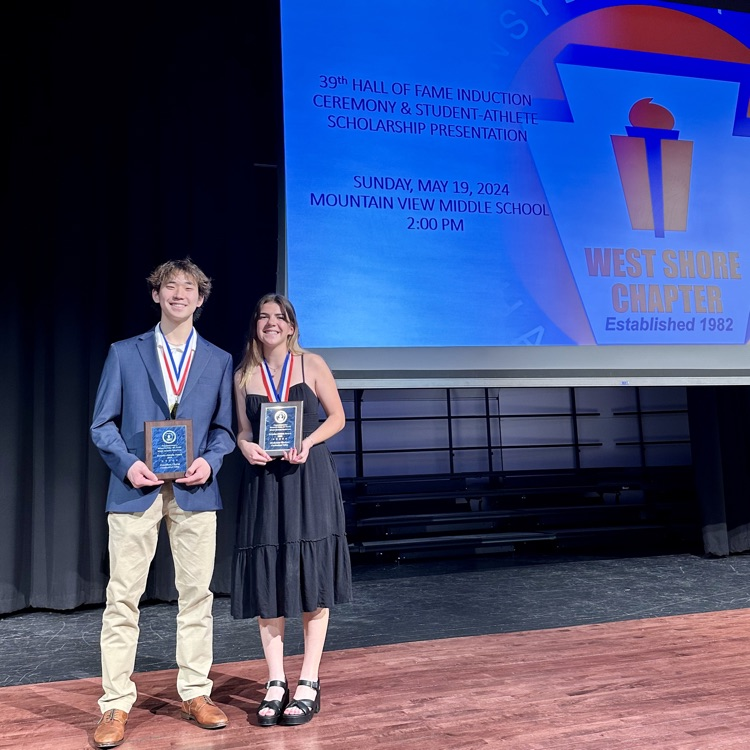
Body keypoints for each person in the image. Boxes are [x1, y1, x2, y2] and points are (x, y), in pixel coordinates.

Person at [89, 258, 235, 748]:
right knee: (122, 599)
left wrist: (211, 461)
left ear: (200, 298)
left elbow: (224, 430)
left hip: (196, 490)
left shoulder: (217, 359)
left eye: (188, 287)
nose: (178, 294)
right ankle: (114, 705)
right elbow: (101, 424)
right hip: (136, 488)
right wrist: (128, 464)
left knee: (197, 597)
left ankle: (195, 691)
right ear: (156, 295)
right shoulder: (124, 353)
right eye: (169, 286)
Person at [231, 293, 353, 727]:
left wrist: (309, 441)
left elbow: (336, 417)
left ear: (291, 326)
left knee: (311, 574)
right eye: (263, 316)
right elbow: (244, 430)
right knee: (269, 575)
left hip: (309, 477)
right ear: (256, 326)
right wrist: (245, 445)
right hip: (265, 483)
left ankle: (308, 681)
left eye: (278, 317)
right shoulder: (244, 373)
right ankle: (276, 681)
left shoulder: (312, 364)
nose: (270, 323)